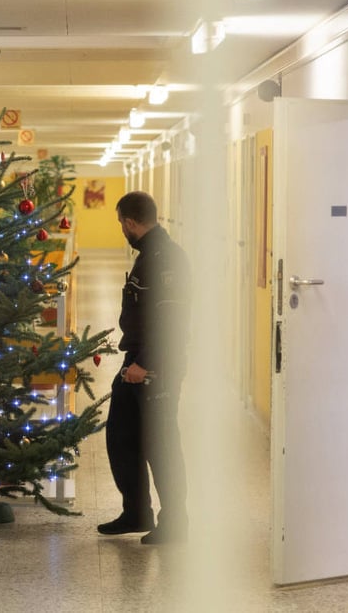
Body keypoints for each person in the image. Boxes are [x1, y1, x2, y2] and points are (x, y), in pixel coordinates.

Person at [98, 191, 190, 545]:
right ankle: (136, 512)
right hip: (134, 360)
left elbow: (170, 319)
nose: (122, 228)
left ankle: (175, 524)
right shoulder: (149, 255)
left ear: (131, 222)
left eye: (122, 222)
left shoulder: (165, 259)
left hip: (156, 365)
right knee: (122, 437)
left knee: (161, 445)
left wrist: (146, 364)